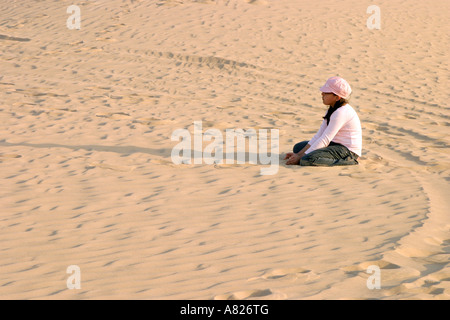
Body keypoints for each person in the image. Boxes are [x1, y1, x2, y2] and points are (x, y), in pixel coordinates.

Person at [285, 76, 362, 166]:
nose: (322, 94)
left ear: (337, 97)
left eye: (326, 93)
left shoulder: (341, 112)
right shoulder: (332, 109)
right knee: (297, 148)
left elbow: (325, 139)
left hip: (347, 151)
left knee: (306, 160)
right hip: (334, 145)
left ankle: (350, 161)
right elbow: (319, 135)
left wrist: (301, 157)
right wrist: (298, 154)